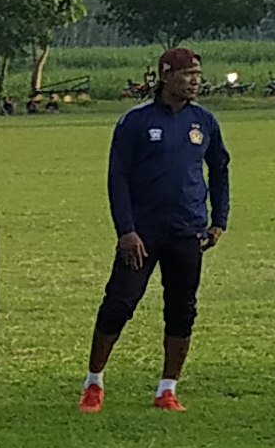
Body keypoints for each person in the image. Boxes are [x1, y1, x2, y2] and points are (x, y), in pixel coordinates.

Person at [80, 46, 229, 415]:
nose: (195, 80)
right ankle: (93, 382)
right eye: (187, 74)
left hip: (188, 231)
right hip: (143, 235)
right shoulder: (136, 122)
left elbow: (220, 169)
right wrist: (126, 231)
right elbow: (118, 177)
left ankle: (167, 389)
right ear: (165, 76)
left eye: (198, 73)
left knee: (182, 310)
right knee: (119, 304)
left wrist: (219, 220)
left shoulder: (204, 122)